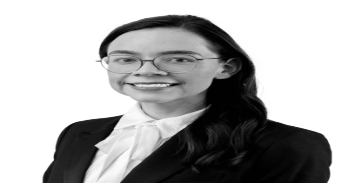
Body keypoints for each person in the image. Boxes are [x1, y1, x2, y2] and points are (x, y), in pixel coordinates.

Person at [43, 15, 331, 183]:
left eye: (178, 58)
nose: (145, 71)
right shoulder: (78, 132)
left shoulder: (286, 145)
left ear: (226, 67)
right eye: (126, 59)